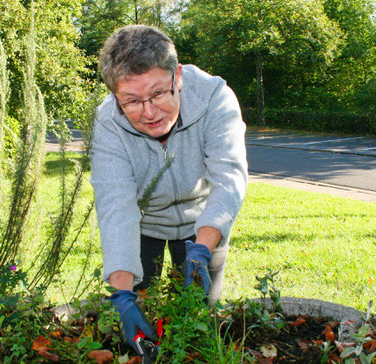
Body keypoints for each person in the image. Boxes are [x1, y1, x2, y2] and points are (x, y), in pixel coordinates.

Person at [89, 24, 248, 352]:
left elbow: (229, 179)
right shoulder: (108, 123)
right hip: (144, 224)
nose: (149, 113)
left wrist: (202, 249)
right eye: (131, 101)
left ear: (176, 77)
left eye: (158, 93)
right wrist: (121, 295)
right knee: (140, 314)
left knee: (198, 321)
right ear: (116, 97)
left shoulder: (213, 97)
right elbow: (116, 206)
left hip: (205, 220)